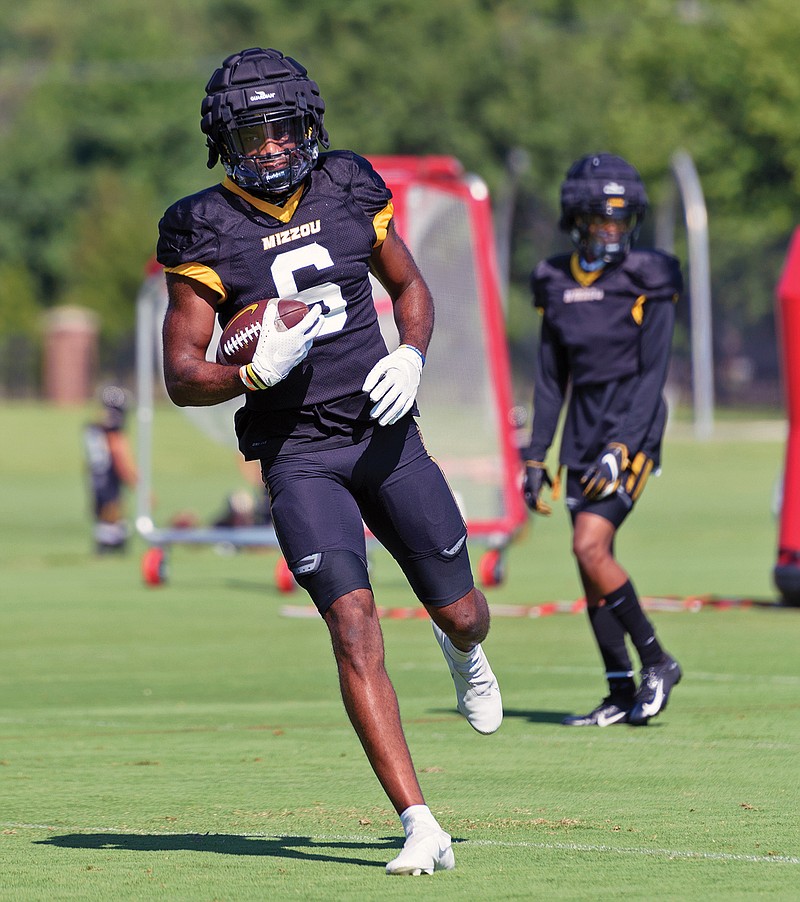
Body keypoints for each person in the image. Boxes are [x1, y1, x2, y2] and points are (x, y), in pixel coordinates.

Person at [157, 47, 501, 875]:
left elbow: (411, 287)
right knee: (353, 624)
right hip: (296, 454)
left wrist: (411, 353)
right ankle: (419, 820)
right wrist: (247, 373)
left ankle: (465, 657)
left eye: (283, 131)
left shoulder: (350, 183)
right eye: (253, 134)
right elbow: (180, 374)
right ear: (223, 142)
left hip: (385, 432)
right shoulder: (200, 225)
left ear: (308, 126)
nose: (272, 149)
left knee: (461, 612)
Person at [521, 152, 684, 727]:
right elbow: (549, 379)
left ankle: (658, 662)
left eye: (622, 219)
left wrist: (622, 447)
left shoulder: (651, 277)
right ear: (579, 219)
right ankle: (619, 690)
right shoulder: (554, 280)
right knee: (591, 567)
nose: (613, 230)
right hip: (581, 433)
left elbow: (653, 374)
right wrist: (535, 455)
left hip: (633, 426)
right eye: (602, 219)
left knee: (589, 546)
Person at [83, 385, 138, 553]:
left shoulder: (93, 426)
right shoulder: (112, 428)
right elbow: (118, 453)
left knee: (103, 510)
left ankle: (106, 539)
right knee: (113, 508)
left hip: (96, 474)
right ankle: (112, 541)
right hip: (107, 473)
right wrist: (136, 482)